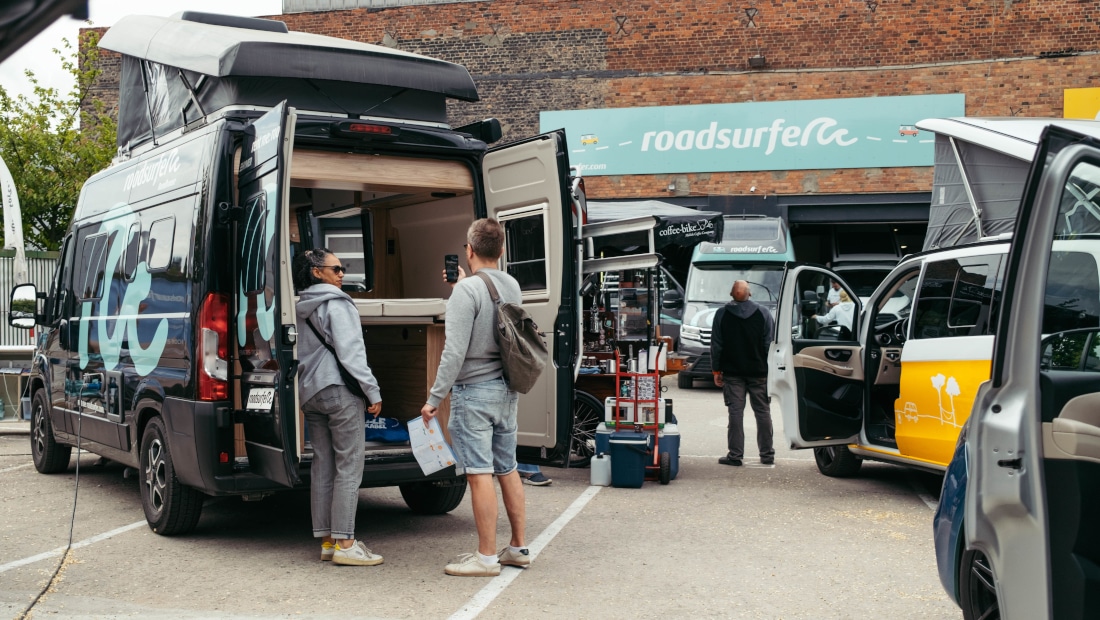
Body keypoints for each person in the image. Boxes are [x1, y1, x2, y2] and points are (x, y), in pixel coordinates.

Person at [421, 218, 529, 577]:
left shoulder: (465, 293)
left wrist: (434, 398)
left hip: (474, 394)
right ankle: (518, 548)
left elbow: (454, 352)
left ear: (469, 250)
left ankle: (485, 558)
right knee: (507, 468)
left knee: (479, 473)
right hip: (506, 390)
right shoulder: (511, 284)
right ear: (501, 250)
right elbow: (492, 318)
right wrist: (464, 285)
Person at [294, 248, 385, 567]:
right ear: (317, 272)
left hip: (310, 392)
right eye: (336, 269)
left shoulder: (298, 306)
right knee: (349, 465)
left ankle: (328, 542)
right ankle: (346, 543)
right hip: (339, 390)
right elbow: (351, 353)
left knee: (323, 466)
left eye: (342, 268)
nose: (342, 273)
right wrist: (372, 391)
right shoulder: (338, 303)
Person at [710, 280, 776, 466]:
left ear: (731, 294)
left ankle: (735, 455)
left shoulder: (722, 314)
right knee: (763, 412)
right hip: (759, 372)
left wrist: (716, 370)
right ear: (750, 294)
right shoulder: (763, 313)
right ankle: (767, 455)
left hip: (733, 373)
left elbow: (716, 344)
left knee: (735, 413)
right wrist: (770, 370)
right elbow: (769, 344)